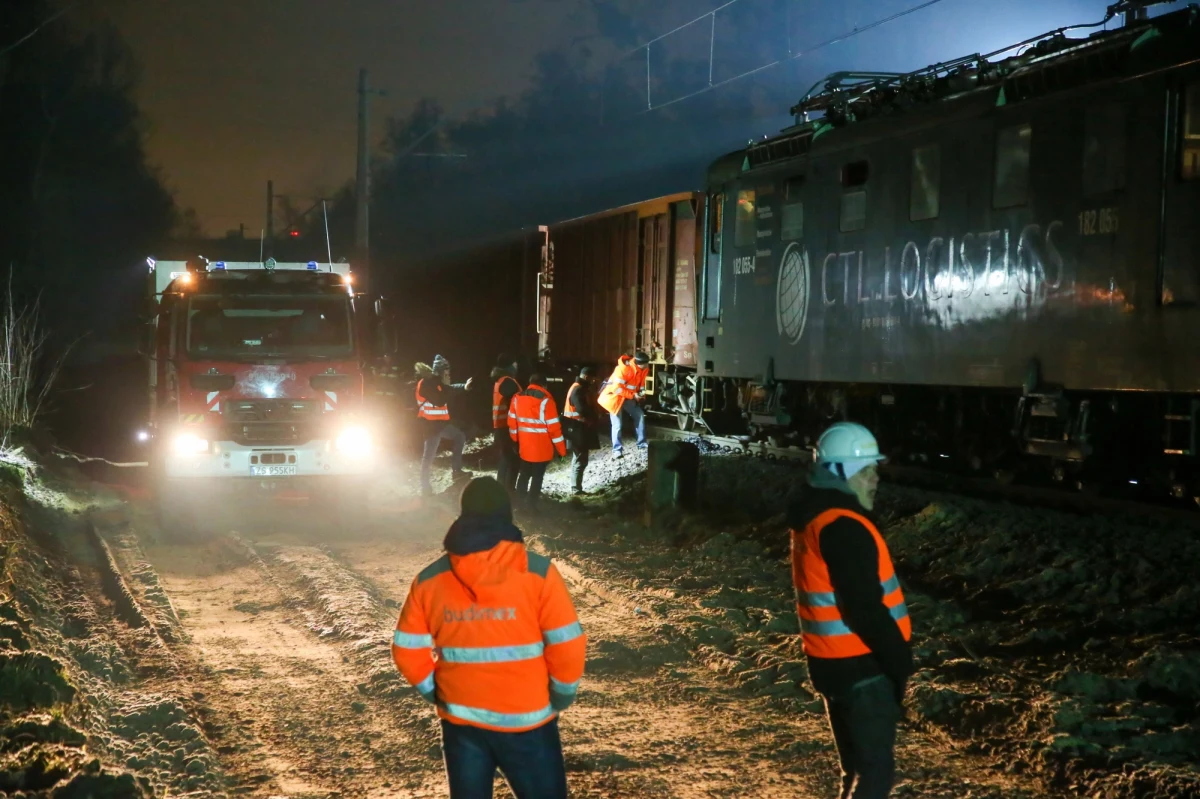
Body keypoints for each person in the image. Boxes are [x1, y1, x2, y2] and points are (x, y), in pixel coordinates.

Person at [391, 477, 586, 799]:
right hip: (529, 721)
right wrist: (562, 694)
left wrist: (437, 693)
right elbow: (568, 646)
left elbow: (406, 651)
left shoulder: (429, 580)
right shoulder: (538, 573)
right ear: (507, 515)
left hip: (462, 722)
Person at [788, 422, 913, 799]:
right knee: (873, 776)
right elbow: (865, 610)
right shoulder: (844, 527)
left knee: (856, 771)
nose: (876, 479)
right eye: (866, 470)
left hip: (831, 665)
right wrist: (899, 663)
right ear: (839, 473)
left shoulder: (817, 517)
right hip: (862, 668)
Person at [414, 354, 474, 496]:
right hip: (431, 427)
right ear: (440, 372)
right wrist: (447, 385)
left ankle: (456, 471)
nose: (449, 375)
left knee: (459, 436)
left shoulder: (438, 383)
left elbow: (449, 389)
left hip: (441, 425)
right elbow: (440, 400)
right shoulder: (426, 384)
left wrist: (464, 387)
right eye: (446, 372)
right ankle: (425, 487)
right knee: (428, 456)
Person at [507, 374, 566, 508]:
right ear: (544, 385)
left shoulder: (517, 398)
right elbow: (555, 430)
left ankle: (519, 505)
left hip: (524, 447)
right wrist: (562, 451)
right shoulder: (546, 401)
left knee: (524, 474)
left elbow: (512, 423)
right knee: (537, 478)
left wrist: (515, 440)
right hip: (542, 449)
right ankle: (531, 506)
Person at [597, 351, 650, 457]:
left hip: (628, 396)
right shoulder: (623, 369)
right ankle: (617, 450)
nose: (648, 365)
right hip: (615, 398)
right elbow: (616, 389)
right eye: (646, 364)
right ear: (640, 363)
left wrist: (641, 395)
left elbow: (641, 385)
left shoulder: (644, 369)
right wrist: (633, 396)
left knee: (640, 416)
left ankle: (642, 444)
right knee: (617, 424)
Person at [561, 367, 599, 495]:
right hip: (578, 429)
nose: (594, 381)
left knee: (578, 458)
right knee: (580, 459)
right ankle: (576, 489)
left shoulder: (576, 387)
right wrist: (593, 416)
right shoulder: (578, 390)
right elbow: (581, 409)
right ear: (587, 377)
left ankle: (576, 487)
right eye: (593, 379)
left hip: (575, 428)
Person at [490, 354, 522, 492]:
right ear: (509, 366)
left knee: (506, 459)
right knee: (513, 460)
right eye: (514, 364)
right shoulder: (508, 381)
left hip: (501, 426)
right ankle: (509, 491)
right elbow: (515, 403)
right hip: (508, 427)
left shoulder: (499, 380)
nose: (516, 366)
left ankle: (501, 488)